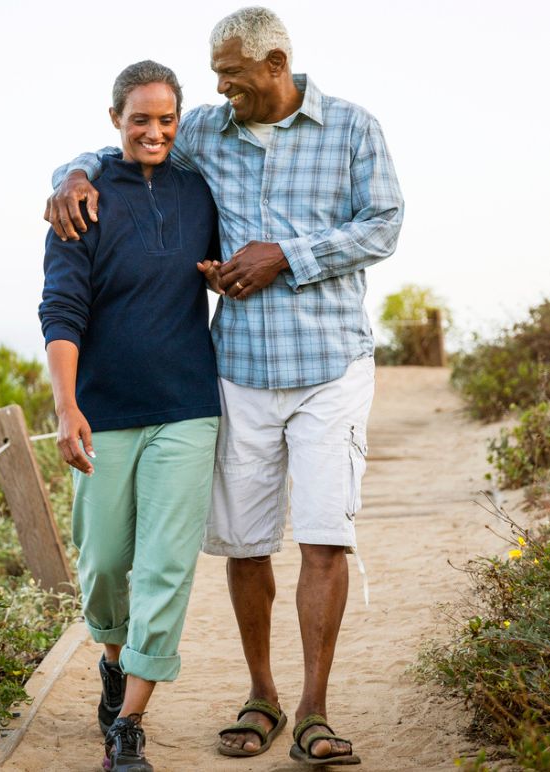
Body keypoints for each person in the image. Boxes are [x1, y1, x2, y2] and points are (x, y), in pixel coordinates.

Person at [45, 7, 404, 767]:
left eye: (231, 75)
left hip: (330, 365)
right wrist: (67, 174)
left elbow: (384, 224)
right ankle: (261, 695)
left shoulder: (350, 127)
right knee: (243, 547)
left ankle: (312, 710)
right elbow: (130, 137)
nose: (220, 88)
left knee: (321, 537)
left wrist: (287, 254)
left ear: (274, 63)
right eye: (214, 77)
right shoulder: (208, 130)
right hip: (237, 368)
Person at [39, 60, 223, 772]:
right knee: (108, 562)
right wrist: (66, 406)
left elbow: (224, 260)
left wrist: (224, 275)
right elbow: (62, 308)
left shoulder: (199, 190)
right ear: (114, 118)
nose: (154, 131)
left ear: (180, 120)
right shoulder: (79, 199)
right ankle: (112, 665)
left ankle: (129, 725)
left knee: (165, 567)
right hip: (104, 411)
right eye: (140, 118)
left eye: (166, 118)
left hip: (187, 405)